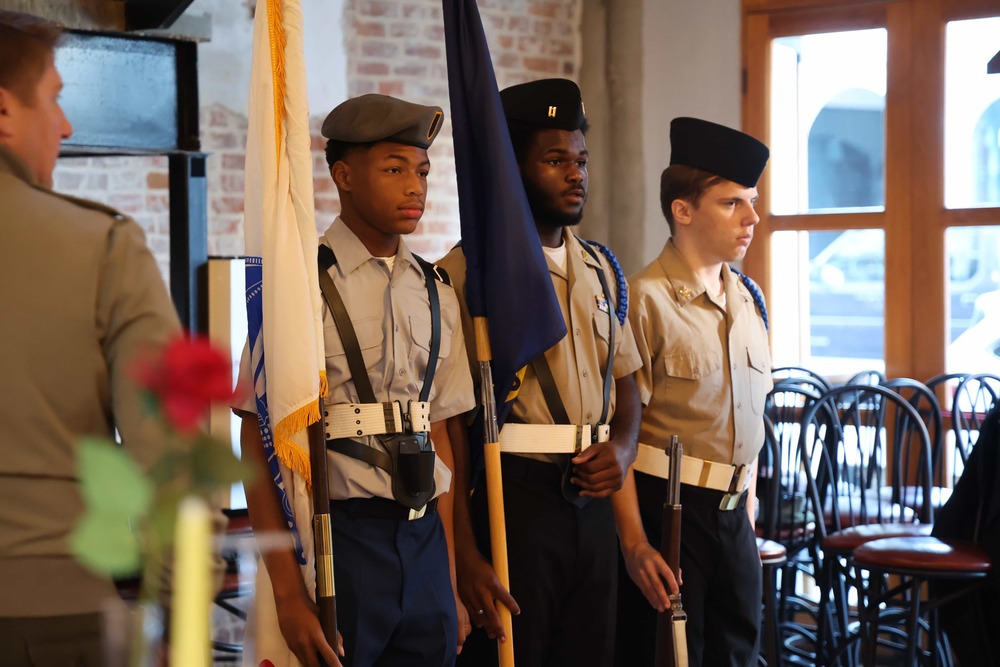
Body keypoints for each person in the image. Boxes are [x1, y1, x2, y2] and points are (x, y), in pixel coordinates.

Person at [235, 93, 475, 667]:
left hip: (421, 544)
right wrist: (289, 595)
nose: (415, 187)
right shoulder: (301, 289)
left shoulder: (435, 292)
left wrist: (448, 579)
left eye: (421, 171)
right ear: (343, 175)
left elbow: (439, 432)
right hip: (339, 539)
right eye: (394, 169)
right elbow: (255, 438)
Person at [438, 78, 643, 667]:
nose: (576, 174)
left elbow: (625, 381)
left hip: (593, 495)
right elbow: (450, 427)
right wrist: (467, 556)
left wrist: (625, 449)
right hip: (513, 492)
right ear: (511, 168)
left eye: (580, 159)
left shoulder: (600, 267)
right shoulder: (466, 275)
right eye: (555, 160)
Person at [0, 11, 183, 665]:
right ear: (3, 110)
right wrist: (174, 623)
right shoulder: (102, 245)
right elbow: (170, 457)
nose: (67, 125)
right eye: (53, 97)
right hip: (52, 617)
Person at [615, 117, 772, 667]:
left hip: (735, 518)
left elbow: (750, 421)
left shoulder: (748, 300)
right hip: (672, 511)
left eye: (752, 201)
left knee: (738, 656)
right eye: (732, 203)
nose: (752, 217)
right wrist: (635, 543)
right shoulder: (643, 300)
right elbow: (618, 440)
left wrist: (747, 513)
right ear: (683, 209)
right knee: (672, 657)